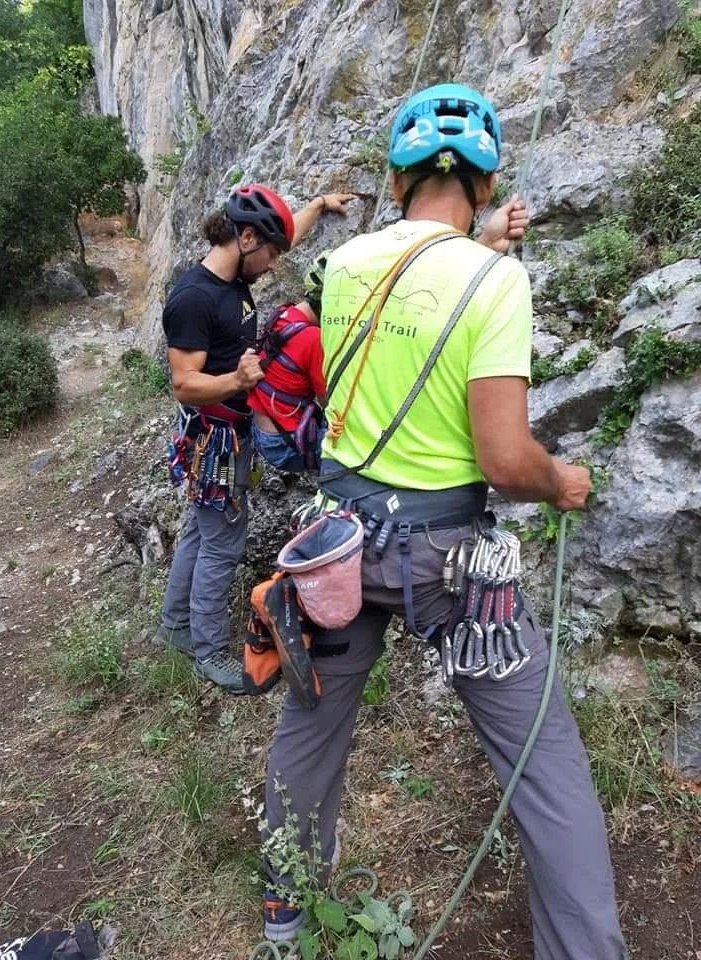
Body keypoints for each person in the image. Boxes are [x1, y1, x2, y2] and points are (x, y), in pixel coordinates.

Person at [260, 85, 628, 960]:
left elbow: (409, 294)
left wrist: (481, 240)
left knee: (311, 726)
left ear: (395, 181)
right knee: (542, 761)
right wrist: (561, 481)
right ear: (487, 183)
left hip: (339, 553)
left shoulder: (344, 266)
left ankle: (286, 910)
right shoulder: (497, 281)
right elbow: (505, 460)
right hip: (452, 565)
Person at [153, 184, 356, 691]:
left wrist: (317, 207)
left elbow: (282, 238)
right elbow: (184, 383)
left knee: (199, 531)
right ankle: (208, 652)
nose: (273, 264)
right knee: (223, 542)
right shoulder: (195, 299)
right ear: (245, 239)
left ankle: (175, 626)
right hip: (216, 439)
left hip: (226, 433)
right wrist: (238, 381)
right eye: (270, 253)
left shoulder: (236, 275)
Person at [247, 253, 329, 473]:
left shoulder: (283, 313)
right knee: (361, 450)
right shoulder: (313, 339)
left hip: (260, 428)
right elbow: (330, 403)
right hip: (283, 444)